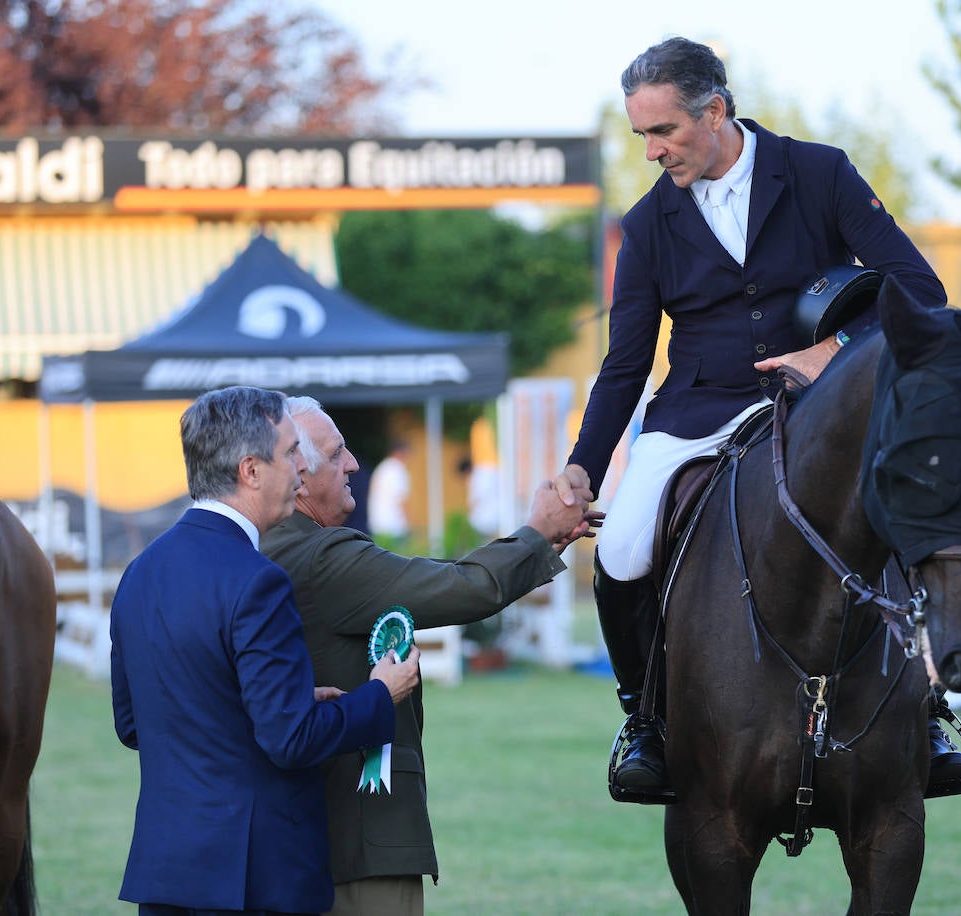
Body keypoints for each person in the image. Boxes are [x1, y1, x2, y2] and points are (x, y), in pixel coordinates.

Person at [551, 36, 961, 801]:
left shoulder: (820, 172)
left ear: (715, 111)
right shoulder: (646, 225)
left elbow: (920, 286)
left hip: (827, 401)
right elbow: (624, 364)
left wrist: (837, 350)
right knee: (619, 550)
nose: (650, 151)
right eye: (639, 134)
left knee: (910, 516)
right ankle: (645, 720)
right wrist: (581, 465)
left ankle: (929, 711)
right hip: (697, 410)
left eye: (663, 131)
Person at [260, 396, 599, 916]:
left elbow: (436, 575)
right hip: (356, 844)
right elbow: (461, 587)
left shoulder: (272, 546)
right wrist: (538, 531)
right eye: (336, 454)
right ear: (297, 476)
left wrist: (536, 545)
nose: (354, 464)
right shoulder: (316, 554)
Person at [109, 385, 422, 916]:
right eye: (290, 453)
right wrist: (377, 695)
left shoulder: (141, 571)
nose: (303, 468)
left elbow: (134, 723)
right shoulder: (259, 580)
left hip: (167, 878)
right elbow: (290, 740)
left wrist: (279, 703)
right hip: (255, 879)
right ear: (251, 471)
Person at [368, 440, 412, 545]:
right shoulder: (398, 469)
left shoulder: (382, 468)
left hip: (377, 525)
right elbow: (401, 500)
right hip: (394, 527)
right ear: (401, 452)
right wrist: (408, 524)